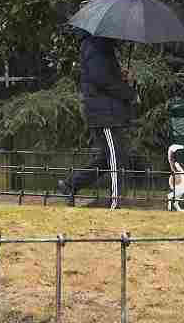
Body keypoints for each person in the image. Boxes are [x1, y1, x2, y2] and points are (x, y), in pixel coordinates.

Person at [57, 32, 136, 209]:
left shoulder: (102, 46)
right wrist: (129, 92)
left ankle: (71, 185)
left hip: (107, 111)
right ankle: (117, 202)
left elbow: (104, 77)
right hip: (104, 113)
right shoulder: (95, 47)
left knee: (106, 158)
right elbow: (102, 80)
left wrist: (122, 77)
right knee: (117, 157)